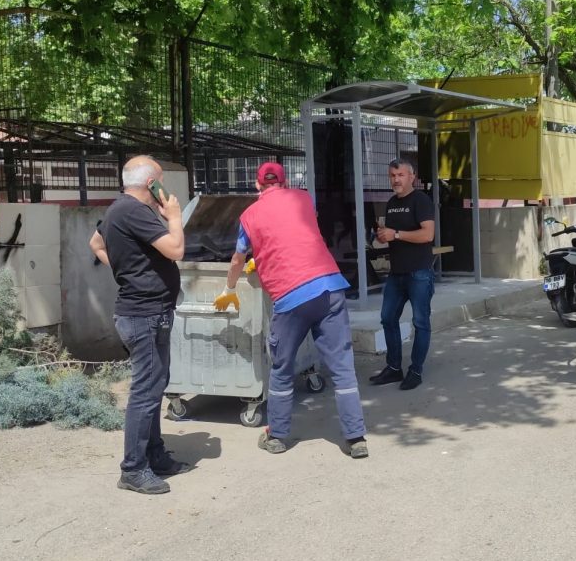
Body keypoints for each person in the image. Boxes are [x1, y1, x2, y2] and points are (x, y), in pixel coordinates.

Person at [215, 162, 368, 459]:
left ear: (256, 186)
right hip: (329, 288)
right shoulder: (304, 198)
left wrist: (230, 289)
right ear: (283, 183)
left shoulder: (248, 216)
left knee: (282, 369)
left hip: (291, 296)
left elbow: (236, 259)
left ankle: (278, 436)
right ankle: (356, 437)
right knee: (342, 367)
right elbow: (297, 230)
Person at [89, 155, 188, 495]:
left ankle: (154, 454)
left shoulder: (120, 209)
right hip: (144, 314)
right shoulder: (133, 210)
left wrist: (129, 269)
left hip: (149, 311)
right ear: (152, 184)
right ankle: (133, 468)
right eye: (162, 181)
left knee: (155, 386)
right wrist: (174, 217)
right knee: (146, 391)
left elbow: (96, 244)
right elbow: (175, 249)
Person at [369, 159, 436, 391]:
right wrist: (383, 237)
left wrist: (395, 234)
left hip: (419, 273)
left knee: (421, 322)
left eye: (400, 175)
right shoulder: (390, 203)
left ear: (412, 177)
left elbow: (427, 235)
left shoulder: (421, 200)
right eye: (392, 175)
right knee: (388, 319)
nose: (396, 179)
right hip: (396, 274)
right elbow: (393, 235)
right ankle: (394, 369)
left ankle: (415, 371)